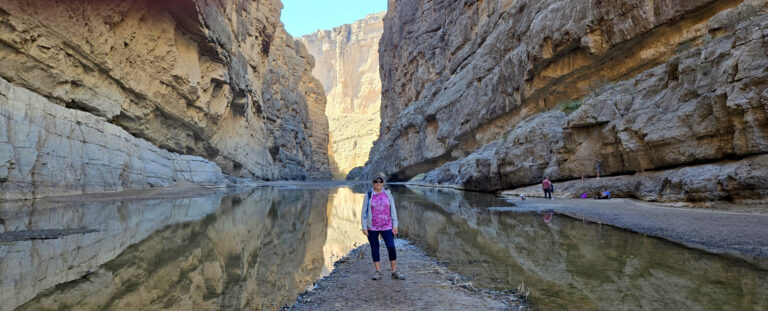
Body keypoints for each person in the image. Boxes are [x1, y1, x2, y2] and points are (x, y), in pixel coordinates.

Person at [361, 174, 405, 280]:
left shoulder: (388, 194)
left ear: (383, 183)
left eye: (380, 181)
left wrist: (395, 225)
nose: (378, 183)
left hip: (387, 226)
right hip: (372, 227)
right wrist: (364, 227)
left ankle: (394, 271)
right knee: (374, 247)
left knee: (391, 246)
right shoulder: (369, 194)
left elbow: (393, 210)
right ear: (373, 183)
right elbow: (364, 212)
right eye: (376, 182)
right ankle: (378, 271)